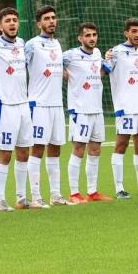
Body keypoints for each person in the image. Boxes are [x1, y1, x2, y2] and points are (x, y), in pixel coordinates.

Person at [0, 7, 33, 212]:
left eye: (14, 20)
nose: (12, 23)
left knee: (23, 152)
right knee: (5, 153)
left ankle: (21, 198)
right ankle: (0, 199)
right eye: (7, 20)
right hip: (5, 106)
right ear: (0, 26)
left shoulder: (22, 43)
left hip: (23, 105)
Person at [24, 5, 70, 208]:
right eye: (47, 18)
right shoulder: (32, 45)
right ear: (39, 23)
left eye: (53, 18)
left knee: (55, 148)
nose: (51, 21)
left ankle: (55, 195)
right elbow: (18, 66)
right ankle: (36, 197)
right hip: (39, 104)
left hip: (56, 105)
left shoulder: (57, 44)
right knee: (37, 149)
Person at [64, 22, 112, 203]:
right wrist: (64, 74)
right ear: (80, 38)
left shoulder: (98, 53)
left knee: (95, 149)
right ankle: (74, 193)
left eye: (94, 35)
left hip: (97, 109)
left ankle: (92, 192)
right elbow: (52, 64)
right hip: (80, 110)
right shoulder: (71, 55)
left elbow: (97, 74)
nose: (92, 38)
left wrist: (107, 62)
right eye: (88, 35)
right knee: (78, 149)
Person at [104, 18, 138, 199]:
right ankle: (119, 188)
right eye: (133, 31)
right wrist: (105, 58)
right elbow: (102, 71)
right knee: (121, 144)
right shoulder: (116, 52)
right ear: (126, 33)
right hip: (125, 107)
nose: (137, 34)